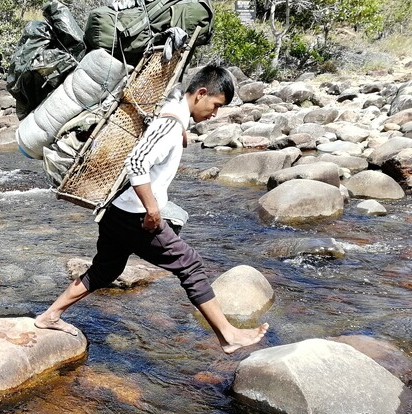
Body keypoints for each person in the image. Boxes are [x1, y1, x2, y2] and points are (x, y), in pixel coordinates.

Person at [35, 64, 268, 354]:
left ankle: (49, 316)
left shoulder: (172, 115)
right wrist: (152, 210)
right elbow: (136, 163)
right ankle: (228, 335)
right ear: (201, 94)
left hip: (114, 211)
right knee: (190, 265)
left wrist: (180, 131)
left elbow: (161, 124)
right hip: (135, 216)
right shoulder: (170, 124)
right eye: (216, 105)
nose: (215, 114)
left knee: (105, 270)